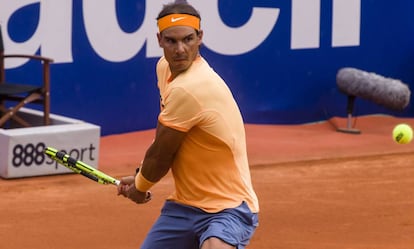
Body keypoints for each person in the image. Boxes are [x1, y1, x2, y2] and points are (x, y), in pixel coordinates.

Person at [117, 1, 259, 248]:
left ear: (200, 37)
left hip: (229, 207)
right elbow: (167, 139)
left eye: (188, 39)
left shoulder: (193, 86)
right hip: (183, 206)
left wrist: (140, 188)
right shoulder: (164, 69)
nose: (180, 49)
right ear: (160, 40)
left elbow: (162, 153)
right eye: (171, 41)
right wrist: (142, 175)